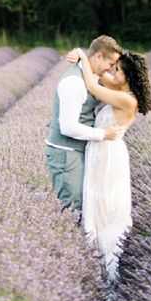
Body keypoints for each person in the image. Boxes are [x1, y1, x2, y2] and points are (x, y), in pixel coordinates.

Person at [64, 44, 151, 283]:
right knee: (96, 207)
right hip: (101, 153)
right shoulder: (118, 90)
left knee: (107, 212)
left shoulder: (127, 100)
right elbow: (99, 74)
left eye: (118, 70)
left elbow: (93, 84)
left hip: (109, 157)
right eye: (112, 67)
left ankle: (110, 280)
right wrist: (93, 59)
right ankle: (97, 272)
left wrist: (82, 54)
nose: (111, 73)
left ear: (128, 78)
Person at [44, 35, 125, 220]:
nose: (111, 69)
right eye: (110, 63)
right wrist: (104, 134)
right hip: (66, 154)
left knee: (83, 208)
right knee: (72, 209)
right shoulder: (73, 82)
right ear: (97, 57)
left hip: (78, 152)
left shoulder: (90, 77)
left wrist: (80, 52)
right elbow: (68, 127)